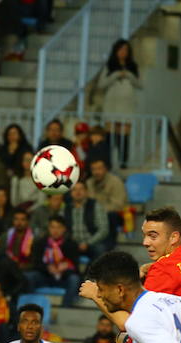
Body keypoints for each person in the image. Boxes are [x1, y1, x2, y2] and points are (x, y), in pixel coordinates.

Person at [98, 39, 141, 168]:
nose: (123, 53)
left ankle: (124, 164)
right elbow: (101, 84)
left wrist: (129, 75)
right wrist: (115, 75)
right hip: (112, 106)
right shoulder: (109, 66)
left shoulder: (132, 66)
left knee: (124, 138)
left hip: (127, 107)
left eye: (126, 50)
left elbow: (140, 84)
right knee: (110, 137)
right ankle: (107, 164)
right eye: (121, 50)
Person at [27, 216, 81, 307]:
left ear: (64, 229)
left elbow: (75, 267)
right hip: (45, 276)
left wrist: (66, 268)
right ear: (48, 228)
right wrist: (47, 268)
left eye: (58, 227)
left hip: (63, 278)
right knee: (29, 277)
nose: (55, 230)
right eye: (52, 227)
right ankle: (31, 306)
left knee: (74, 279)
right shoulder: (40, 243)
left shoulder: (71, 244)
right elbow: (35, 263)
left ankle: (65, 308)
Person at [65, 181, 110, 260]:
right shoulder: (66, 209)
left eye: (81, 189)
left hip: (92, 243)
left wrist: (88, 243)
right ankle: (71, 272)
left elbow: (103, 230)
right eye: (74, 190)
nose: (78, 192)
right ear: (70, 193)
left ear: (86, 191)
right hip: (73, 244)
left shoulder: (95, 206)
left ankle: (90, 272)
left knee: (100, 249)